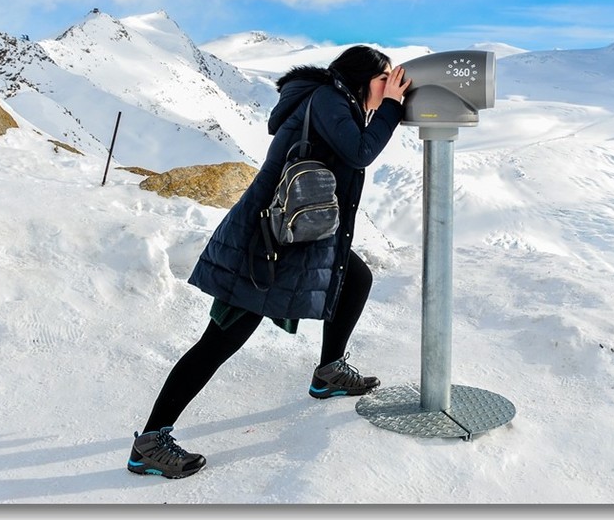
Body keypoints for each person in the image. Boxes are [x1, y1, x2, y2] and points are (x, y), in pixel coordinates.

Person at [126, 45, 411, 479]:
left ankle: (329, 372)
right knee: (220, 339)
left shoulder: (338, 100)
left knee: (354, 278)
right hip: (260, 246)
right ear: (362, 79)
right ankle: (149, 443)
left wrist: (381, 104)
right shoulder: (330, 100)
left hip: (292, 237)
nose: (391, 87)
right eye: (384, 79)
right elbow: (359, 153)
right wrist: (391, 107)